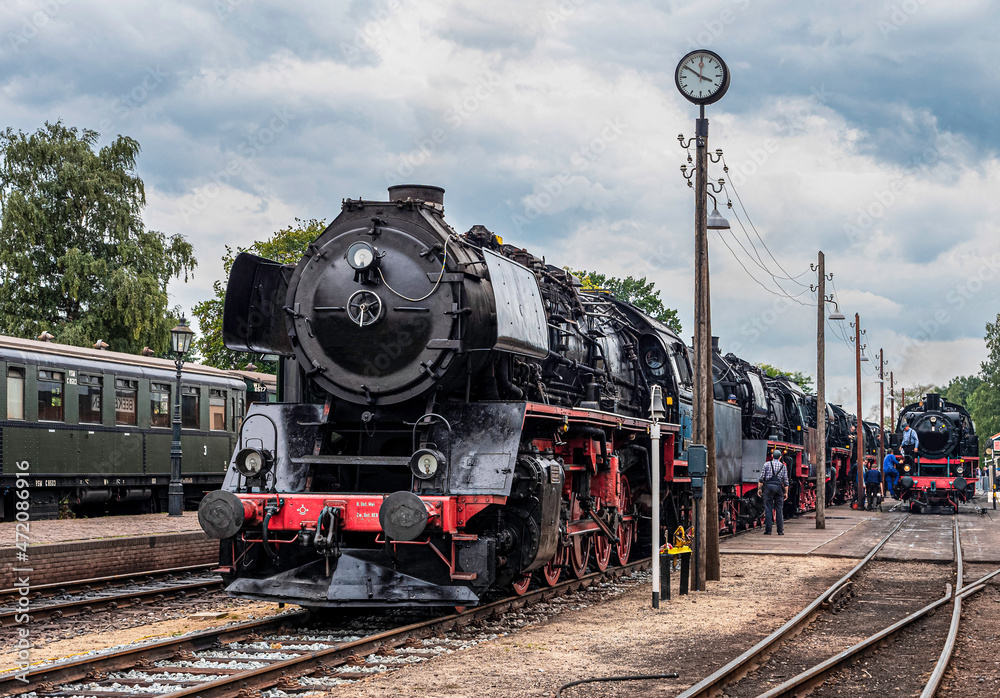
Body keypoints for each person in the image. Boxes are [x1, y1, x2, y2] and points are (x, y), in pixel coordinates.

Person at [757, 449, 788, 535]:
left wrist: (759, 489)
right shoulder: (783, 466)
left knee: (768, 509)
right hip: (778, 488)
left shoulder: (766, 464)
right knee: (779, 509)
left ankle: (768, 530)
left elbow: (761, 478)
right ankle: (780, 531)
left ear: (772, 456)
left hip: (768, 487)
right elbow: (786, 481)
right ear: (780, 457)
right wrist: (786, 492)